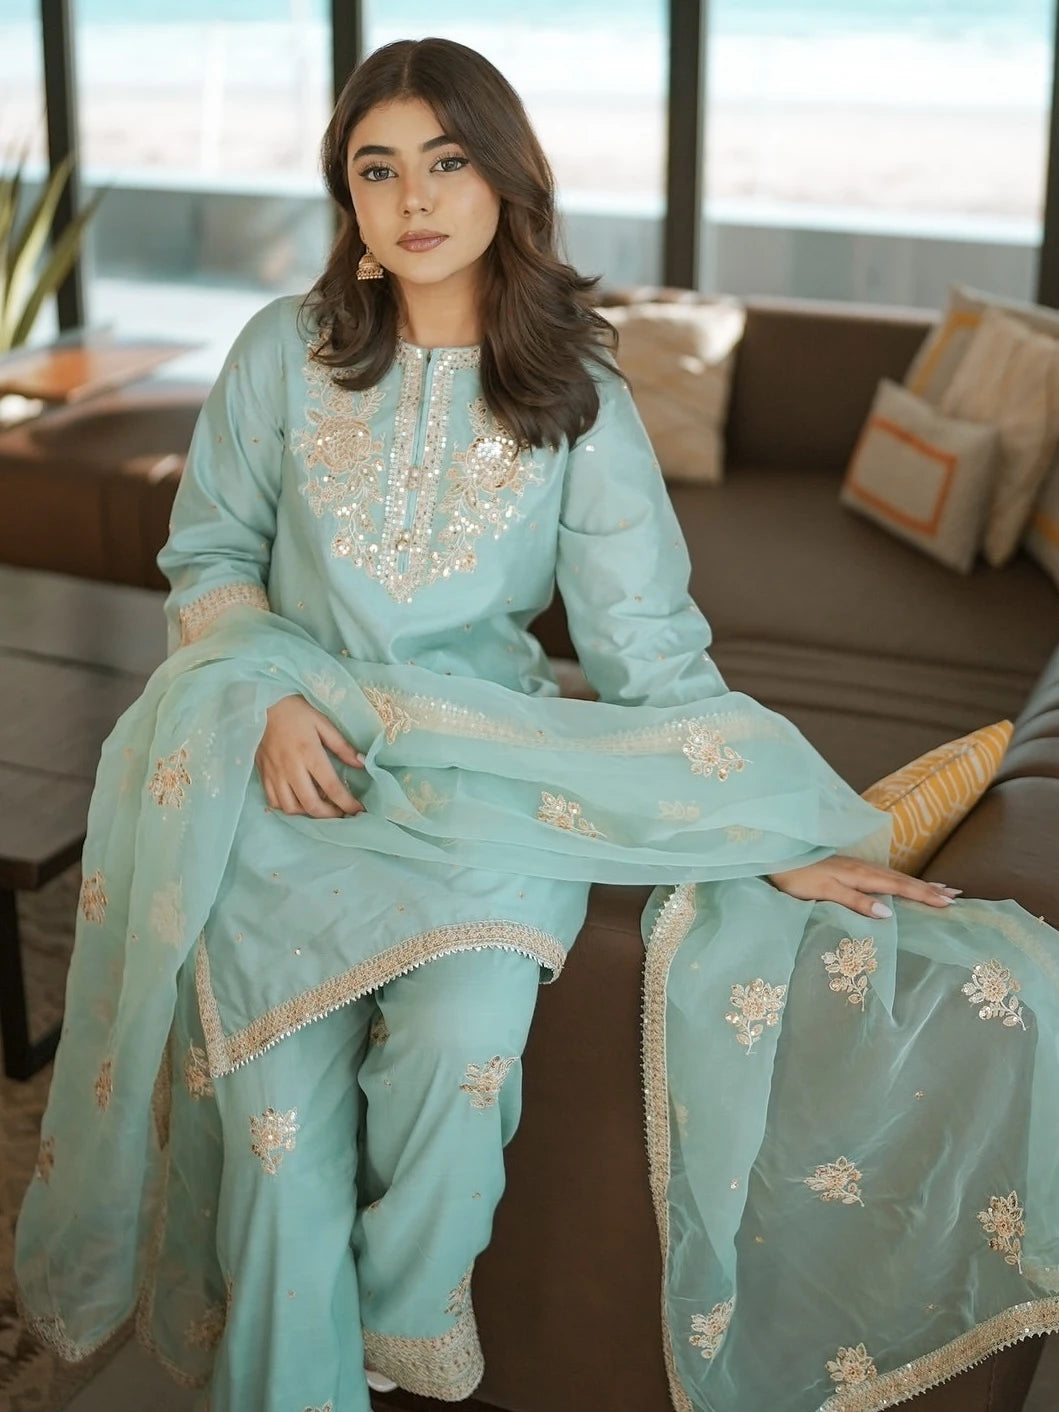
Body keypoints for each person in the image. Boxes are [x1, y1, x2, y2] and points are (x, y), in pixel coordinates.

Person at [15, 36, 1059, 1412]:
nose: (414, 197)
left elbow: (652, 655)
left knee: (460, 1046)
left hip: (489, 783)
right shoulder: (286, 353)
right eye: (376, 169)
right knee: (274, 1133)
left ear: (505, 177)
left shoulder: (574, 389)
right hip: (294, 780)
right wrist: (265, 691)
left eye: (446, 161)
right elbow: (208, 560)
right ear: (351, 197)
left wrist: (770, 831)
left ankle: (407, 1308)